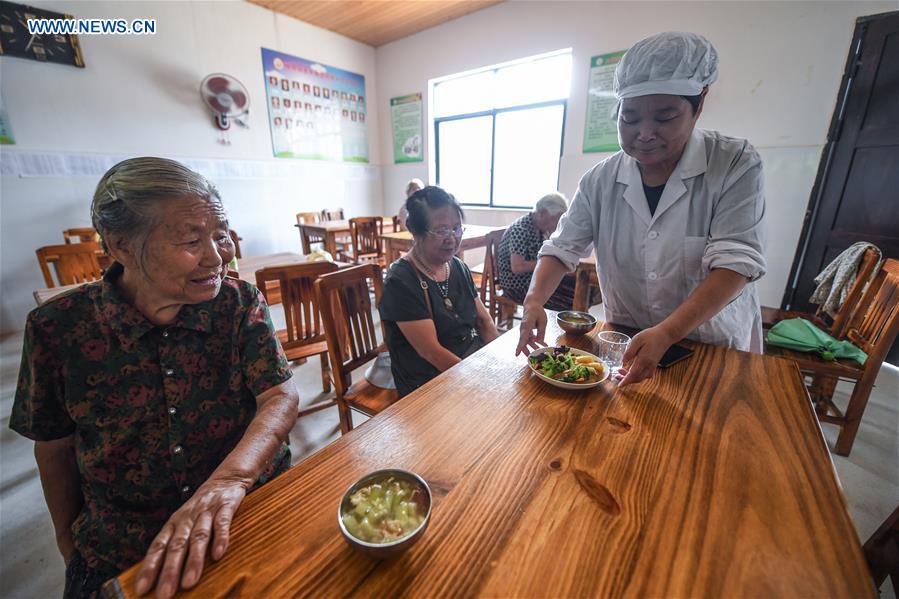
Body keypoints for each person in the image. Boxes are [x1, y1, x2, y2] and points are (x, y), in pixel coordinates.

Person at [10, 158, 299, 599]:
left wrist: (230, 481)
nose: (218, 255)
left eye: (221, 235)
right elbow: (53, 446)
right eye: (190, 240)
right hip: (126, 540)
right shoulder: (59, 328)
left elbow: (279, 395)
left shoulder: (238, 304)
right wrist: (70, 547)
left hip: (244, 509)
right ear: (121, 245)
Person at [516, 31, 766, 387]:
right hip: (627, 339)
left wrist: (668, 332)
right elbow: (561, 249)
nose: (644, 133)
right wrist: (533, 301)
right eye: (629, 118)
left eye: (664, 117)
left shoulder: (734, 163)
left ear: (700, 104)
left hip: (708, 342)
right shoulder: (599, 180)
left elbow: (735, 263)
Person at [379, 186, 499, 397]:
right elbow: (430, 352)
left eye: (457, 228)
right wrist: (478, 381)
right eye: (442, 230)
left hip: (468, 362)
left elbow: (484, 321)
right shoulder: (401, 281)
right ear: (416, 232)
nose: (452, 238)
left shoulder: (457, 266)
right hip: (428, 379)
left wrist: (497, 364)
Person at [497, 192, 574, 310]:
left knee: (574, 286)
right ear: (542, 213)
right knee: (570, 300)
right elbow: (517, 267)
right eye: (554, 220)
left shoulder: (540, 228)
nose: (556, 225)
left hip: (531, 280)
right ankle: (556, 325)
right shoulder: (521, 229)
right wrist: (546, 264)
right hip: (516, 286)